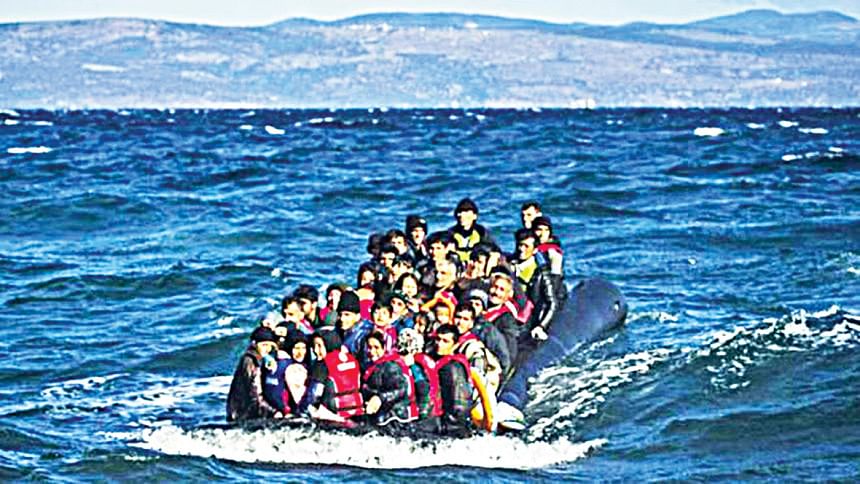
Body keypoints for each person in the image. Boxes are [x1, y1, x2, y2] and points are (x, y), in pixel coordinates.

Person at [361, 332, 418, 426]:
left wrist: (380, 398)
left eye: (376, 347)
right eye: (369, 347)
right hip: (380, 415)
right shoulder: (372, 366)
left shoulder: (390, 366)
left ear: (385, 348)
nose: (372, 351)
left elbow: (401, 389)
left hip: (394, 418)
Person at [226, 326, 283, 423]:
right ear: (254, 344)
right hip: (243, 415)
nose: (267, 349)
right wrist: (273, 412)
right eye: (264, 345)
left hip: (239, 412)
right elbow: (254, 394)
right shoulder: (251, 362)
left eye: (270, 345)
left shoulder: (255, 358)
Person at [305, 329, 364, 421]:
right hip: (357, 411)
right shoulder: (352, 359)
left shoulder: (322, 364)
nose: (315, 350)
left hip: (332, 415)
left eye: (319, 346)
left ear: (329, 344)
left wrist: (304, 409)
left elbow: (315, 394)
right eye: (314, 346)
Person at [433, 324, 476, 436]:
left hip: (452, 428)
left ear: (455, 345)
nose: (439, 344)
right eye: (438, 339)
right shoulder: (439, 360)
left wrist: (448, 428)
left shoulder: (452, 368)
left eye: (445, 341)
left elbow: (459, 404)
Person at [453, 303, 502, 396]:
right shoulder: (451, 340)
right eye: (458, 317)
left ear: (471, 323)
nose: (460, 322)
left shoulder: (474, 348)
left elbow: (478, 378)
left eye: (465, 319)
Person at [397, 328, 442, 422]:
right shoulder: (425, 359)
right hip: (435, 406)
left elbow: (422, 386)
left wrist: (423, 411)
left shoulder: (416, 364)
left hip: (425, 411)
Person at [448, 198, 494, 263]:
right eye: (459, 212)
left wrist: (478, 250)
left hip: (476, 263)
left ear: (475, 216)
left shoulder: (482, 232)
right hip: (456, 264)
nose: (461, 215)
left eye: (466, 211)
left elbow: (492, 248)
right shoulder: (450, 233)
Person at [337, 291, 374, 360]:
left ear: (357, 316)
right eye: (340, 314)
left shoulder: (364, 335)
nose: (342, 319)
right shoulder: (339, 330)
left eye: (347, 315)